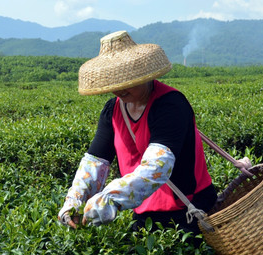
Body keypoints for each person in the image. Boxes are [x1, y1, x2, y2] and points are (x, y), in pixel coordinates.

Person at [58, 30, 249, 236]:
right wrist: (74, 200)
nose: (120, 89)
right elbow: (95, 161)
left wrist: (108, 200)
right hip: (144, 213)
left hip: (188, 210)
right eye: (114, 82)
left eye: (127, 80)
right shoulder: (112, 110)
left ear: (143, 73)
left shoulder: (170, 105)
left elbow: (156, 168)